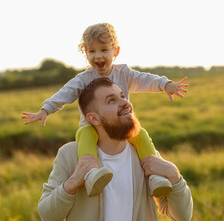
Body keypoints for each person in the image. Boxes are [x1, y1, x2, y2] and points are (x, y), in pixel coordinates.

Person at [23, 23, 188, 198]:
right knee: (86, 135)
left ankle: (154, 176)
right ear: (85, 53)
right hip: (92, 127)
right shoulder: (83, 79)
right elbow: (65, 93)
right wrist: (45, 110)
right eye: (91, 51)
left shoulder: (123, 73)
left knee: (141, 134)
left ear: (115, 52)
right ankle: (91, 173)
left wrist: (165, 84)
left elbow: (144, 79)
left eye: (103, 50)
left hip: (120, 126)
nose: (98, 56)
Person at [38, 77, 193, 221]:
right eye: (111, 101)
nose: (125, 103)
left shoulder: (145, 156)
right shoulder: (70, 155)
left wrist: (175, 177)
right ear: (93, 118)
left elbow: (183, 216)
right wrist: (73, 182)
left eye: (123, 96)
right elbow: (47, 216)